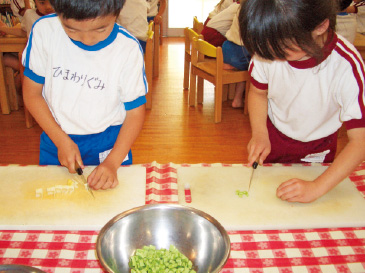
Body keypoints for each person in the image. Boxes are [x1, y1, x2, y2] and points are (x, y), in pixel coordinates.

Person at [239, 0, 365, 203]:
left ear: (320, 26)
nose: (272, 57)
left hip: (318, 149)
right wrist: (260, 133)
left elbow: (360, 141)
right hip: (273, 138)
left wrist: (316, 187)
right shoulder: (268, 49)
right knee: (267, 201)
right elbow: (258, 92)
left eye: (283, 50)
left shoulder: (345, 65)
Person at [22, 0, 147, 190]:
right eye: (71, 29)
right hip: (56, 137)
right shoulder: (44, 31)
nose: (86, 40)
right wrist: (60, 139)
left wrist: (112, 163)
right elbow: (32, 94)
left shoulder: (127, 49)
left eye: (100, 29)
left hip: (109, 144)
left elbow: (136, 113)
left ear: (117, 11)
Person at [221, 8, 250, 108]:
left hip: (227, 47)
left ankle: (237, 99)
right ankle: (242, 98)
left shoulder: (241, 8)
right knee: (256, 66)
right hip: (240, 51)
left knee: (246, 67)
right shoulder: (257, 10)